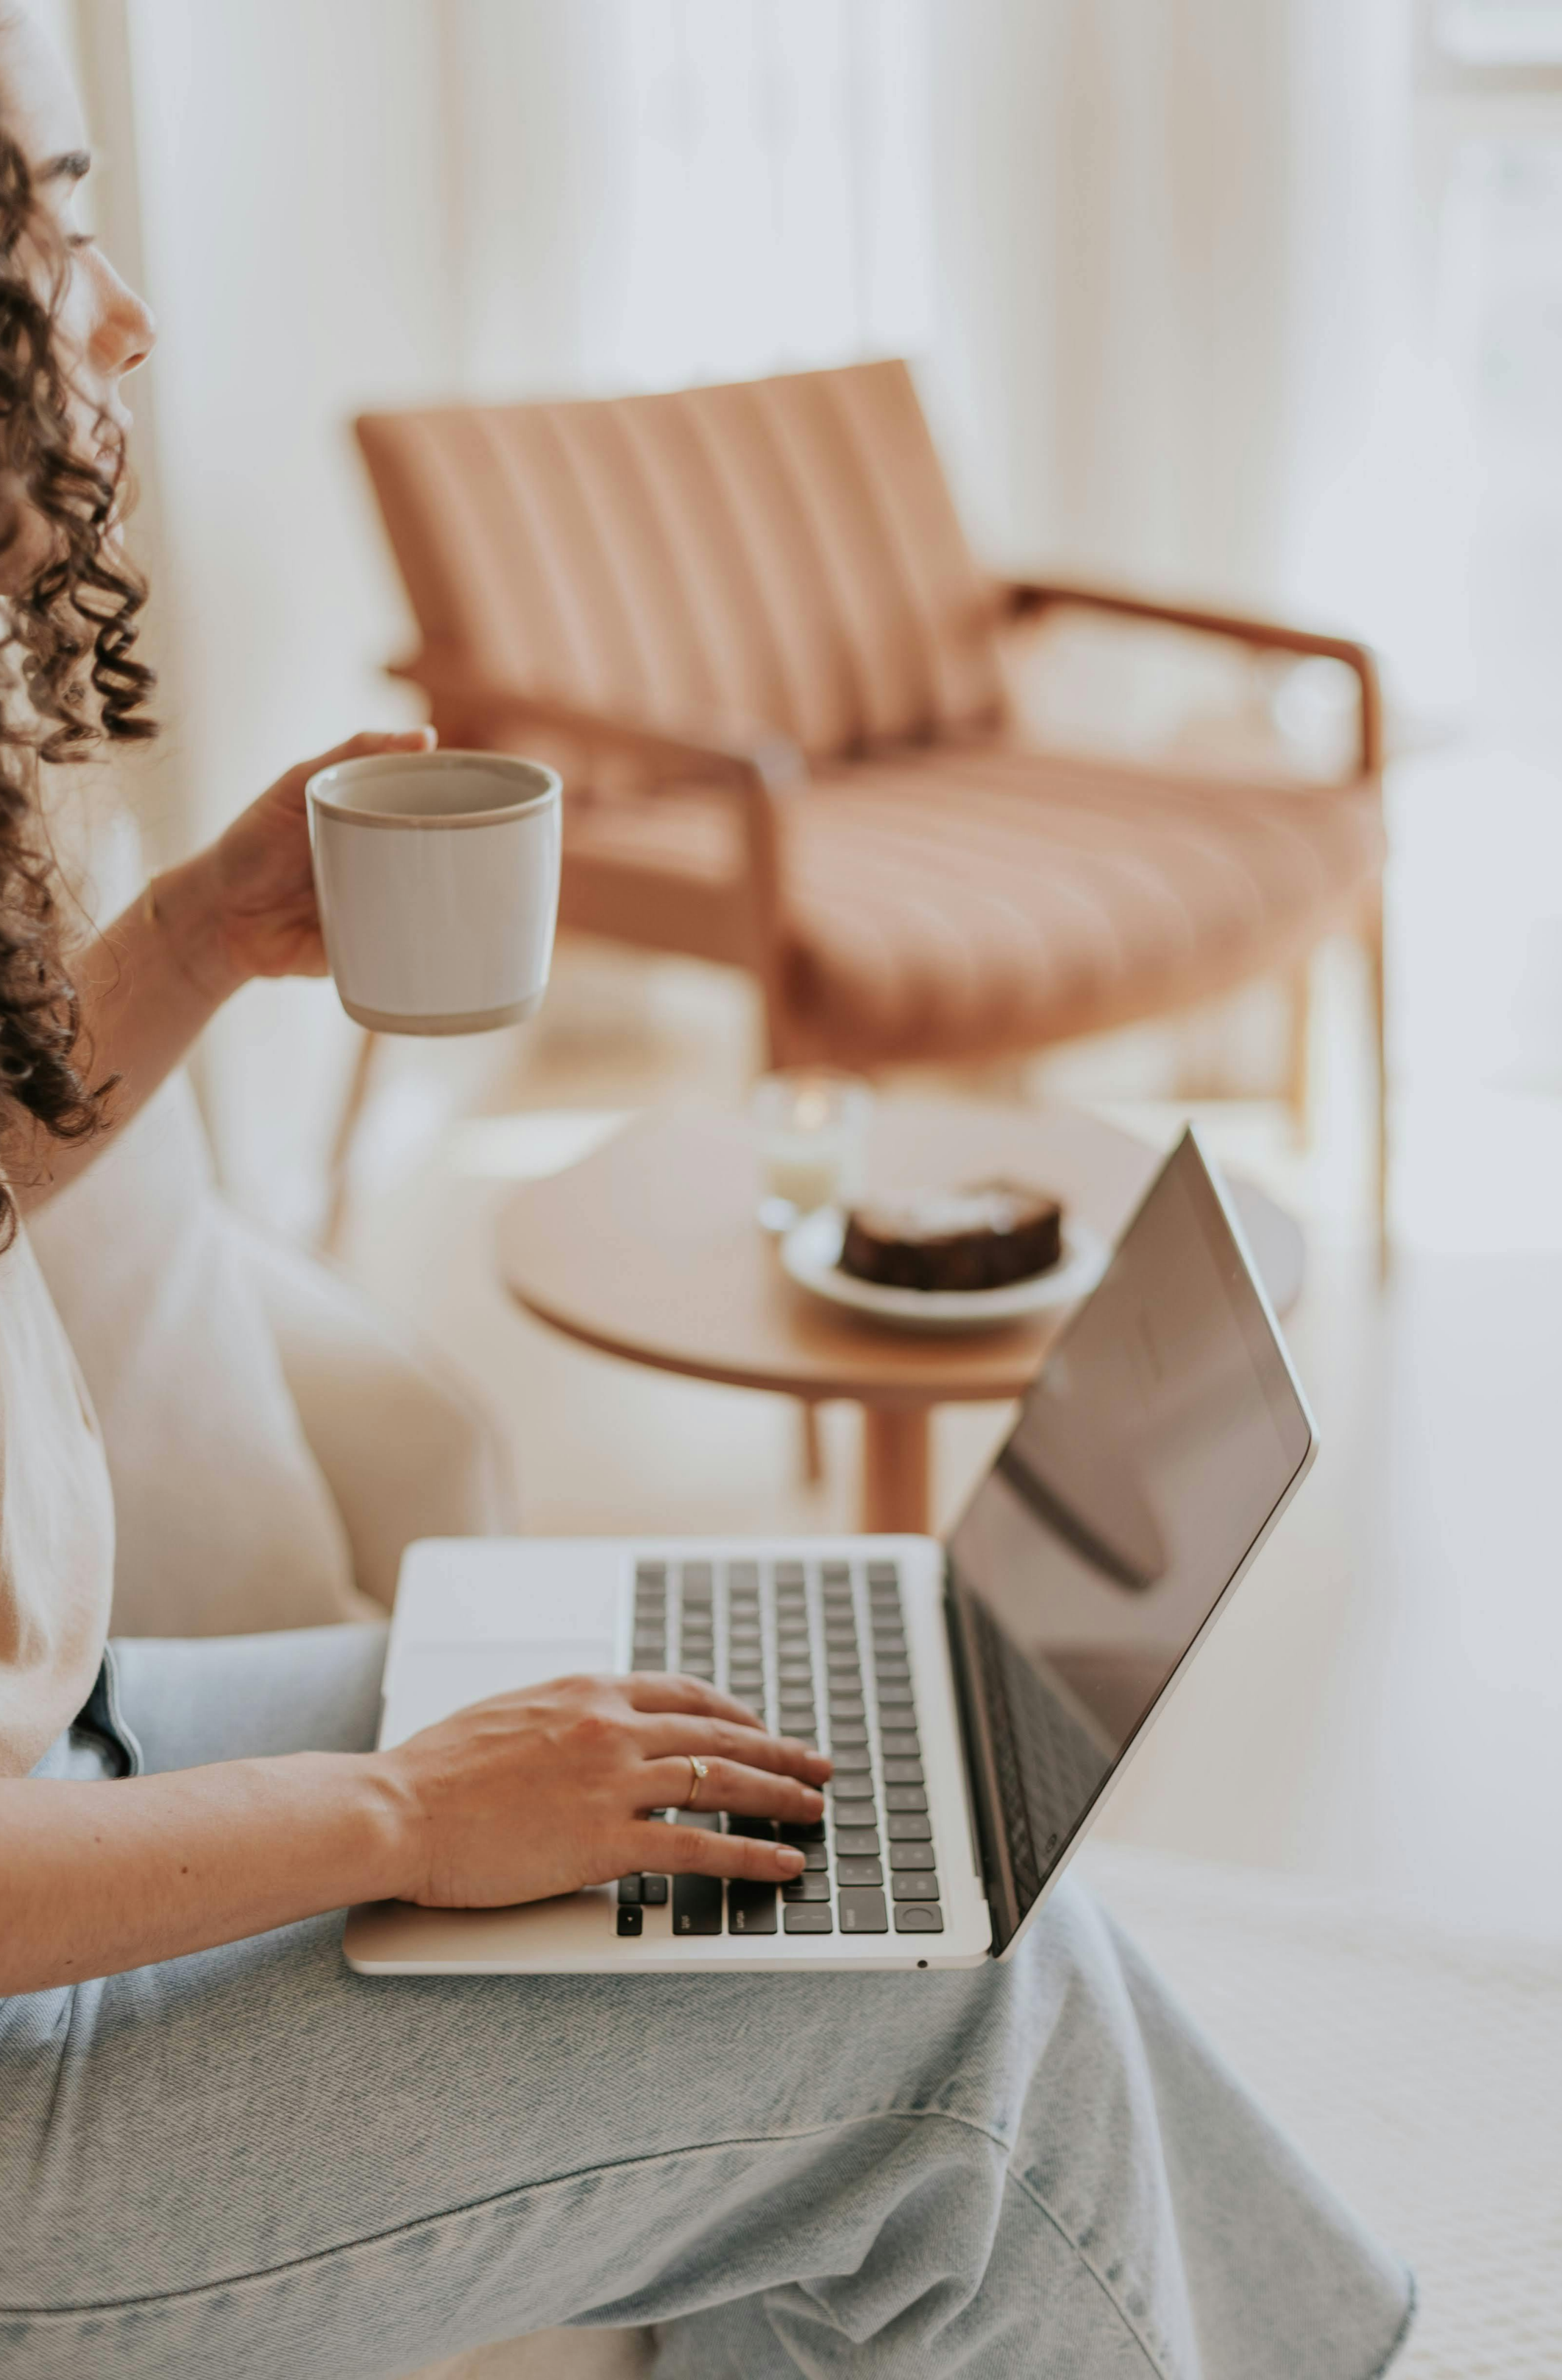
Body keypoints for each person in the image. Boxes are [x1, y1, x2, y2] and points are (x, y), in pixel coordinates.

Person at [0, 9, 1413, 2376]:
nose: (125, 313)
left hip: (84, 1753)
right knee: (945, 2026)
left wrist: (201, 941)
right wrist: (393, 1813)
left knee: (844, 1777)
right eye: (52, 232)